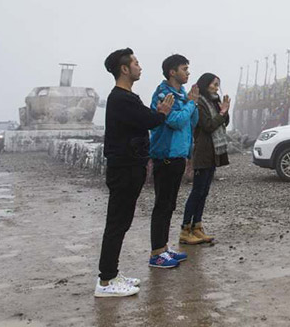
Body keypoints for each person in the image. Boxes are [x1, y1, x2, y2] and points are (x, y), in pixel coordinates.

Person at [96, 48, 175, 298]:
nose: (140, 67)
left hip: (130, 167)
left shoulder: (127, 97)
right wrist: (161, 112)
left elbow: (145, 118)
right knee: (117, 223)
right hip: (124, 168)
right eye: (136, 63)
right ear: (124, 69)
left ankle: (112, 274)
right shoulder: (121, 98)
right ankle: (106, 281)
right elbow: (148, 120)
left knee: (121, 222)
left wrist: (157, 114)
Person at [147, 54, 199, 269]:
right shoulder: (163, 94)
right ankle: (156, 253)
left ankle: (163, 248)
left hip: (178, 155)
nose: (187, 72)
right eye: (184, 68)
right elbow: (176, 121)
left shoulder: (181, 94)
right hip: (165, 156)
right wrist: (190, 104)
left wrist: (191, 105)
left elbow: (191, 123)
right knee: (162, 204)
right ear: (172, 72)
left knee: (170, 205)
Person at [180, 73, 231, 245]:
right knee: (197, 191)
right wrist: (222, 112)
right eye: (214, 84)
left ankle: (197, 226)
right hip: (203, 151)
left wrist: (224, 110)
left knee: (204, 192)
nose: (216, 88)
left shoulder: (213, 101)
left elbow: (224, 122)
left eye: (218, 84)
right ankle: (185, 229)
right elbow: (208, 125)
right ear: (205, 84)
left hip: (213, 152)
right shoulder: (200, 102)